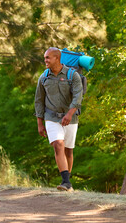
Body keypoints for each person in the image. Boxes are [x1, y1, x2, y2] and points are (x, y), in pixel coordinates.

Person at [34, 47, 83, 191]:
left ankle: (67, 181)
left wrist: (69, 114)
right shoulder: (44, 77)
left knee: (68, 150)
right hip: (51, 117)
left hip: (71, 118)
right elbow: (38, 100)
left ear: (57, 58)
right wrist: (40, 123)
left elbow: (78, 96)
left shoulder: (72, 75)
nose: (45, 60)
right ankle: (66, 182)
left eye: (48, 57)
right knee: (58, 145)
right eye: (45, 58)